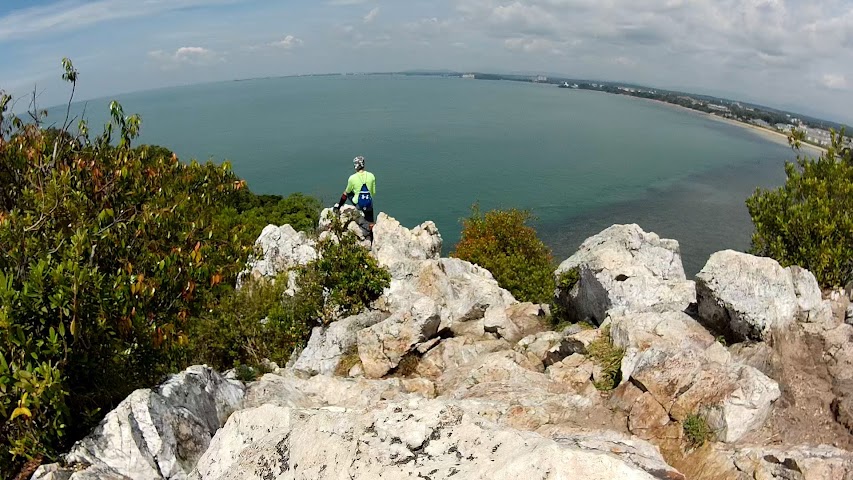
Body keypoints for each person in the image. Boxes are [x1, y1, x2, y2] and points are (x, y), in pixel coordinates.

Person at [334, 155, 376, 229]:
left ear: (355, 166)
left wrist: (339, 206)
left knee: (348, 192)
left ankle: (338, 207)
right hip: (368, 204)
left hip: (359, 204)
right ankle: (371, 227)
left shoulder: (352, 178)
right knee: (370, 218)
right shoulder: (371, 176)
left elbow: (346, 192)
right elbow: (373, 193)